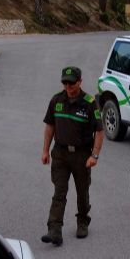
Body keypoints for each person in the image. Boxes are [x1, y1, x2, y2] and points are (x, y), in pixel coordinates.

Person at [41, 66, 104, 246]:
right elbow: (50, 127)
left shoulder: (90, 102)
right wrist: (45, 150)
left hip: (82, 155)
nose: (68, 86)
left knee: (82, 192)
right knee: (59, 192)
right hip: (60, 153)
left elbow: (99, 132)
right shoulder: (56, 100)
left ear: (80, 82)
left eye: (71, 82)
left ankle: (82, 221)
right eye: (65, 82)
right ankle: (54, 230)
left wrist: (95, 156)